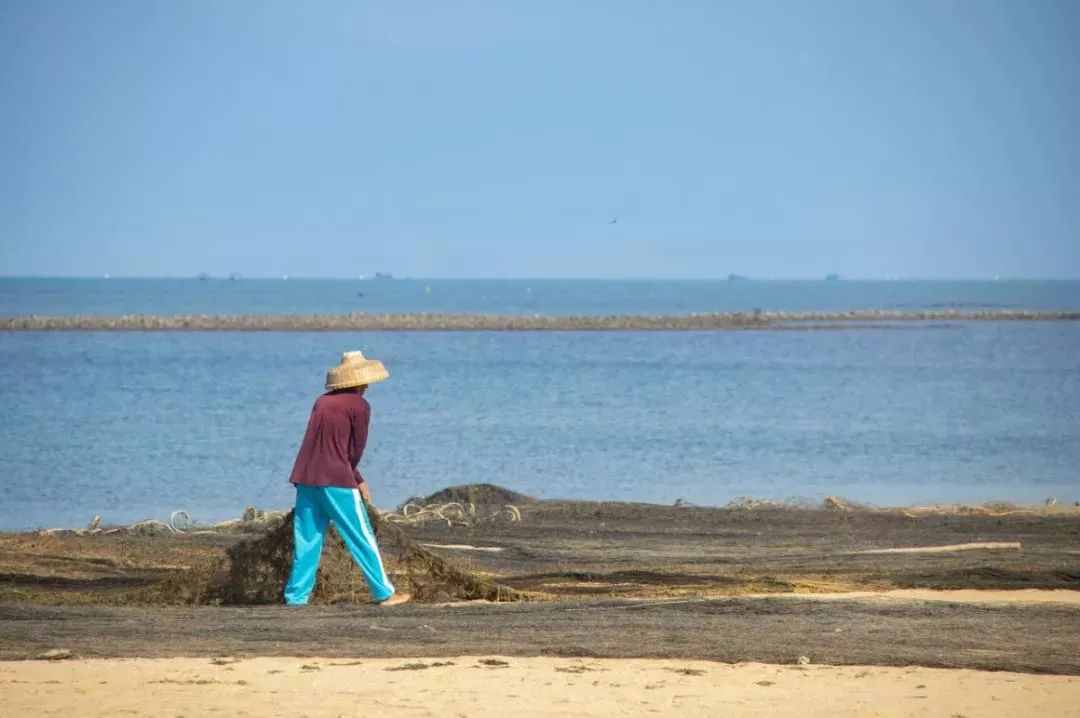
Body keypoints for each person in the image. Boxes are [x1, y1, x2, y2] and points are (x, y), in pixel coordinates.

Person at [283, 350, 411, 607]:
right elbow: (353, 451)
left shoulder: (321, 401)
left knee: (307, 540)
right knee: (361, 535)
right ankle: (384, 593)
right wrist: (358, 478)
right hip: (337, 480)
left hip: (306, 478)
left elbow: (319, 441)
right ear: (361, 381)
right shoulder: (360, 406)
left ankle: (296, 598)